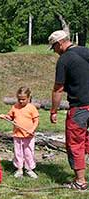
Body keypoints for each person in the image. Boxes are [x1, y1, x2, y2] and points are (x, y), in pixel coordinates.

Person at [49, 30, 89, 190]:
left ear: (59, 44)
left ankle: (80, 181)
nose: (55, 52)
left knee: (75, 142)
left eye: (54, 48)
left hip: (79, 107)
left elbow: (58, 89)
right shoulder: (86, 51)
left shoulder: (64, 60)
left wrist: (54, 110)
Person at [0, 86, 39, 179]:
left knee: (28, 152)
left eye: (23, 99)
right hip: (17, 135)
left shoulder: (31, 108)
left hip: (28, 135)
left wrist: (32, 129)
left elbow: (36, 121)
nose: (21, 101)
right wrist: (5, 116)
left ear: (29, 98)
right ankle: (19, 169)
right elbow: (10, 117)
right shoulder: (15, 107)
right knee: (18, 152)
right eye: (19, 99)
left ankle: (29, 169)